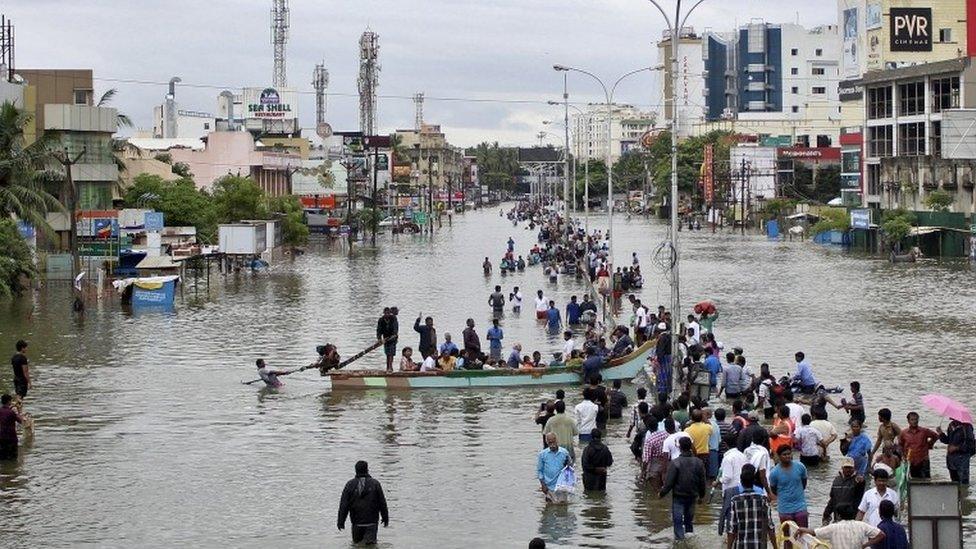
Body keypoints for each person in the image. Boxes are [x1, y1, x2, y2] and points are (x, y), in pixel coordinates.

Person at [659, 437, 707, 541]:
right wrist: (702, 496)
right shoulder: (698, 462)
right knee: (689, 522)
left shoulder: (675, 463)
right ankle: (690, 542)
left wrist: (661, 494)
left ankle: (680, 543)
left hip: (678, 497)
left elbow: (669, 483)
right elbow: (702, 482)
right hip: (692, 496)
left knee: (678, 521)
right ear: (690, 447)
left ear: (680, 448)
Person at [337, 461, 389, 545]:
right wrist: (385, 517)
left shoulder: (350, 485)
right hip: (371, 523)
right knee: (370, 545)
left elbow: (344, 505)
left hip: (356, 523)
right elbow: (382, 503)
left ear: (356, 470)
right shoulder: (375, 484)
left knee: (357, 544)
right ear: (367, 470)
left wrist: (341, 521)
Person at [725, 464, 776, 549]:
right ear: (754, 481)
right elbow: (770, 526)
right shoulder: (763, 499)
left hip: (741, 545)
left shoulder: (735, 501)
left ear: (741, 482)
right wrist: (775, 547)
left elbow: (732, 530)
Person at [800, 504, 885, 549]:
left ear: (839, 516)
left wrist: (801, 529)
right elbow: (881, 535)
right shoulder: (862, 525)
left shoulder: (833, 527)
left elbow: (814, 532)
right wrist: (865, 545)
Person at [768, 445, 809, 527]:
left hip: (800, 506)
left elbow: (804, 483)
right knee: (787, 536)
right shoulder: (774, 473)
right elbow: (774, 490)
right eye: (784, 454)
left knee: (804, 535)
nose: (787, 456)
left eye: (789, 454)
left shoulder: (800, 467)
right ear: (779, 456)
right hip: (784, 508)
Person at [822, 457, 867, 525]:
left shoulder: (857, 480)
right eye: (846, 467)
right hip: (837, 517)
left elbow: (861, 487)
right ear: (842, 467)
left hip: (852, 519)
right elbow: (832, 499)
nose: (848, 469)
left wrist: (861, 481)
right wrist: (826, 514)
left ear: (854, 468)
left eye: (850, 467)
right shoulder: (836, 480)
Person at [897, 411, 939, 479]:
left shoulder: (924, 431)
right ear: (908, 421)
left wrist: (929, 445)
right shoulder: (904, 433)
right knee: (912, 481)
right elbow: (900, 445)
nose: (914, 421)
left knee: (926, 481)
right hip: (910, 460)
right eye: (912, 420)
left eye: (916, 419)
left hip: (923, 460)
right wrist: (902, 456)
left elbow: (936, 436)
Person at [937, 418, 975, 485]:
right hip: (951, 459)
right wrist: (941, 433)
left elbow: (971, 445)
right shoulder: (951, 425)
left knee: (963, 483)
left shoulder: (967, 426)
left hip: (962, 459)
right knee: (954, 483)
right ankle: (956, 495)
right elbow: (948, 440)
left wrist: (956, 448)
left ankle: (964, 494)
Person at [537, 433, 571, 502]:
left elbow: (570, 467)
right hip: (549, 487)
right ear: (547, 442)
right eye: (550, 443)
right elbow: (540, 471)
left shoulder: (564, 453)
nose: (552, 445)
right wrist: (543, 485)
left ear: (556, 441)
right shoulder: (542, 454)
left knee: (562, 508)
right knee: (549, 508)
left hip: (562, 486)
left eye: (553, 442)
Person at [0, 394, 24, 460]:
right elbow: (20, 421)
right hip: (11, 438)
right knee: (13, 459)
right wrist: (19, 410)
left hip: (1, 437)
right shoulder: (11, 412)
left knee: (2, 458)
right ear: (8, 402)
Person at [376, 308, 398, 372]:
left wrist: (394, 334)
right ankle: (388, 367)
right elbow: (379, 330)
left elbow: (395, 327)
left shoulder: (393, 318)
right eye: (385, 313)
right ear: (383, 313)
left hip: (393, 338)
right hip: (385, 339)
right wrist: (379, 339)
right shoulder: (381, 320)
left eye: (388, 313)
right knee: (387, 353)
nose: (387, 315)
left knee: (391, 353)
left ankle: (390, 367)